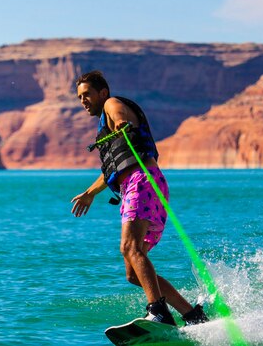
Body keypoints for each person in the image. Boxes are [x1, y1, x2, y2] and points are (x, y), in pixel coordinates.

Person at [70, 70, 208, 326]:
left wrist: (122, 123)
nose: (83, 101)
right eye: (79, 97)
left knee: (129, 247)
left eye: (87, 94)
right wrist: (90, 194)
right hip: (142, 186)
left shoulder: (111, 105)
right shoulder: (104, 126)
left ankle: (158, 311)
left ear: (102, 92)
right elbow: (112, 169)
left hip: (142, 183)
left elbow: (119, 113)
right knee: (133, 273)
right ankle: (193, 316)